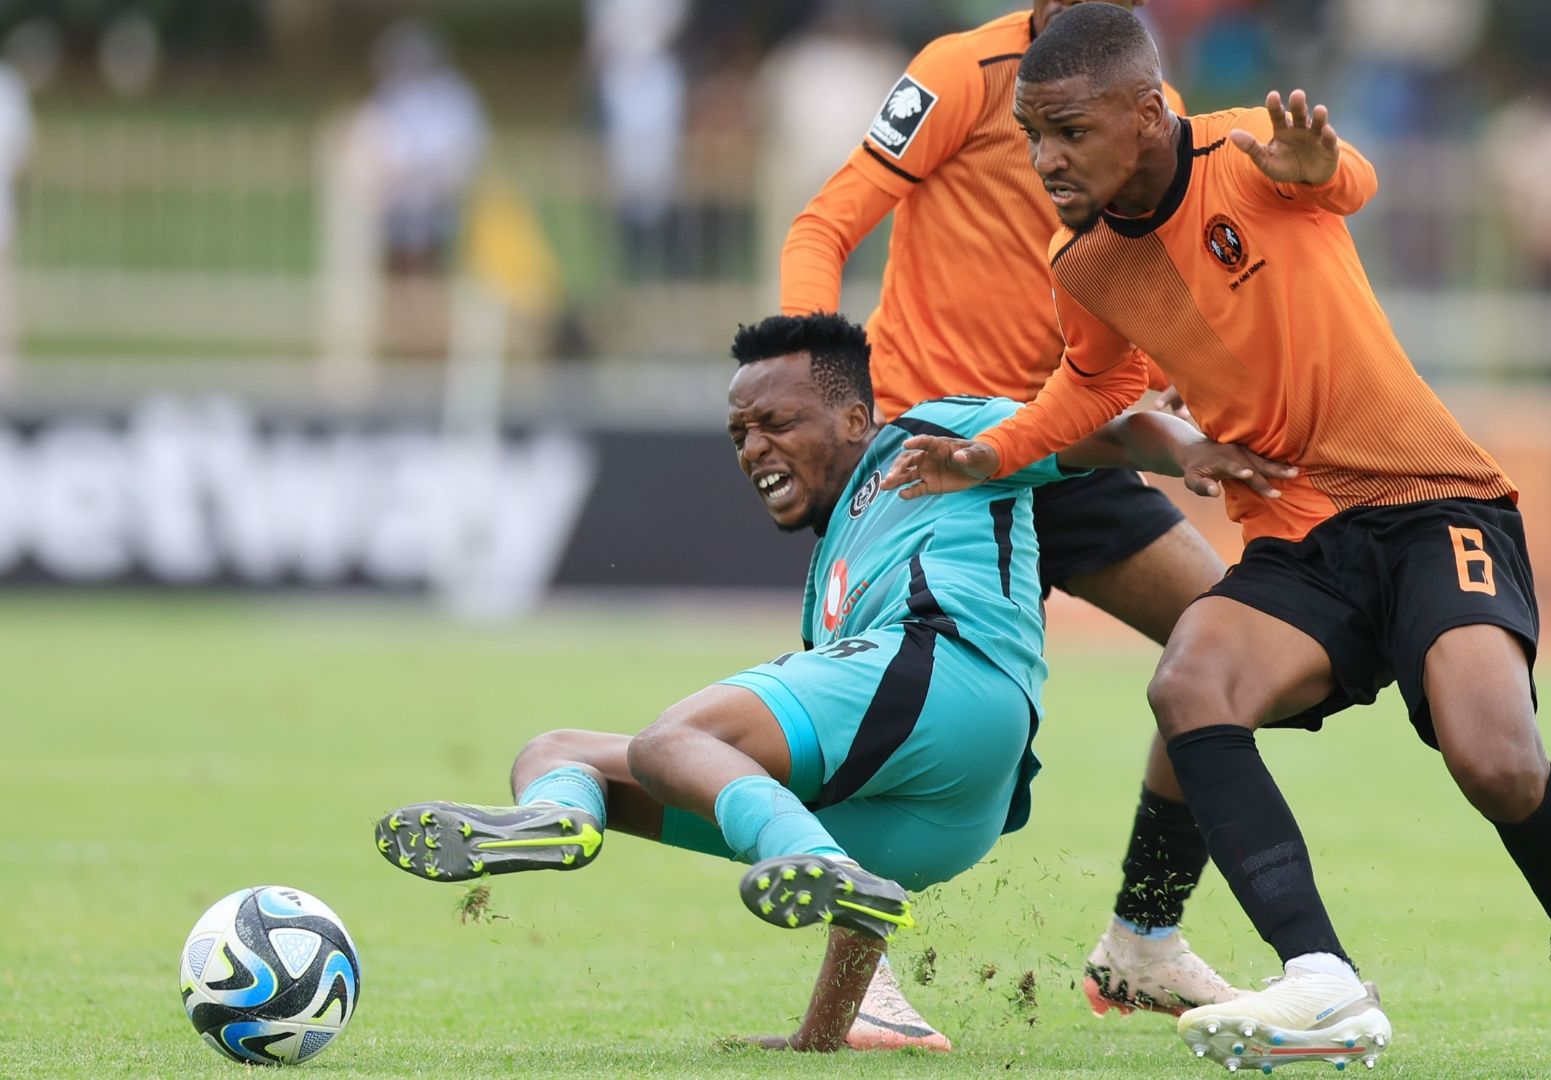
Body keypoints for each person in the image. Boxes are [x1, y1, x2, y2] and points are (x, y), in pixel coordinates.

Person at [879, 5, 1551, 1073]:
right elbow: (1098, 384)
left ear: (1148, 114)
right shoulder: (1082, 261)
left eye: (1068, 131)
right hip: (1298, 540)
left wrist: (1320, 160)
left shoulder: (1245, 146)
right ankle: (1322, 978)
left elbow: (1343, 182)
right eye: (1032, 134)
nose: (1043, 158)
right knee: (1191, 679)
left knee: (1497, 763)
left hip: (1430, 503)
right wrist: (994, 451)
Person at [371, 312, 1293, 1054]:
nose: (753, 447)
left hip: (951, 673)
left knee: (673, 744)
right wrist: (819, 1036)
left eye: (776, 422)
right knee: (557, 750)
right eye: (738, 431)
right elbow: (858, 884)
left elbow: (1103, 433)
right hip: (937, 823)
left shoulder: (937, 432)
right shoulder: (827, 585)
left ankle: (653, 833)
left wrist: (1185, 451)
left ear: (856, 419)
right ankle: (567, 816)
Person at [780, 0, 1244, 1043]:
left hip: (1060, 439)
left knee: (1230, 639)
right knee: (890, 707)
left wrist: (1176, 377)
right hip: (937, 455)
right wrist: (818, 384)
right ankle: (866, 985)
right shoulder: (959, 69)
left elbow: (1147, 285)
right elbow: (825, 224)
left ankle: (1145, 938)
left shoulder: (1147, 106)